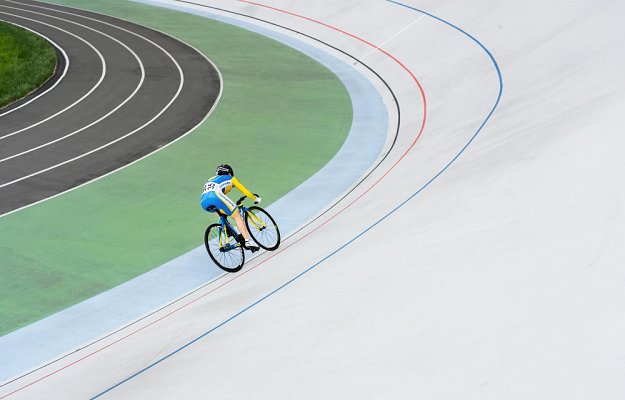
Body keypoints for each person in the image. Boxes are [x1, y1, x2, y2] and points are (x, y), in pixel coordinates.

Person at [201, 164, 261, 250]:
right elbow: (245, 191)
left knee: (222, 214)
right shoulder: (231, 178)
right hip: (216, 196)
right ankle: (248, 241)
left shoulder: (211, 179)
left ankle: (225, 231)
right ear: (229, 173)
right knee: (236, 215)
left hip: (203, 201)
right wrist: (255, 198)